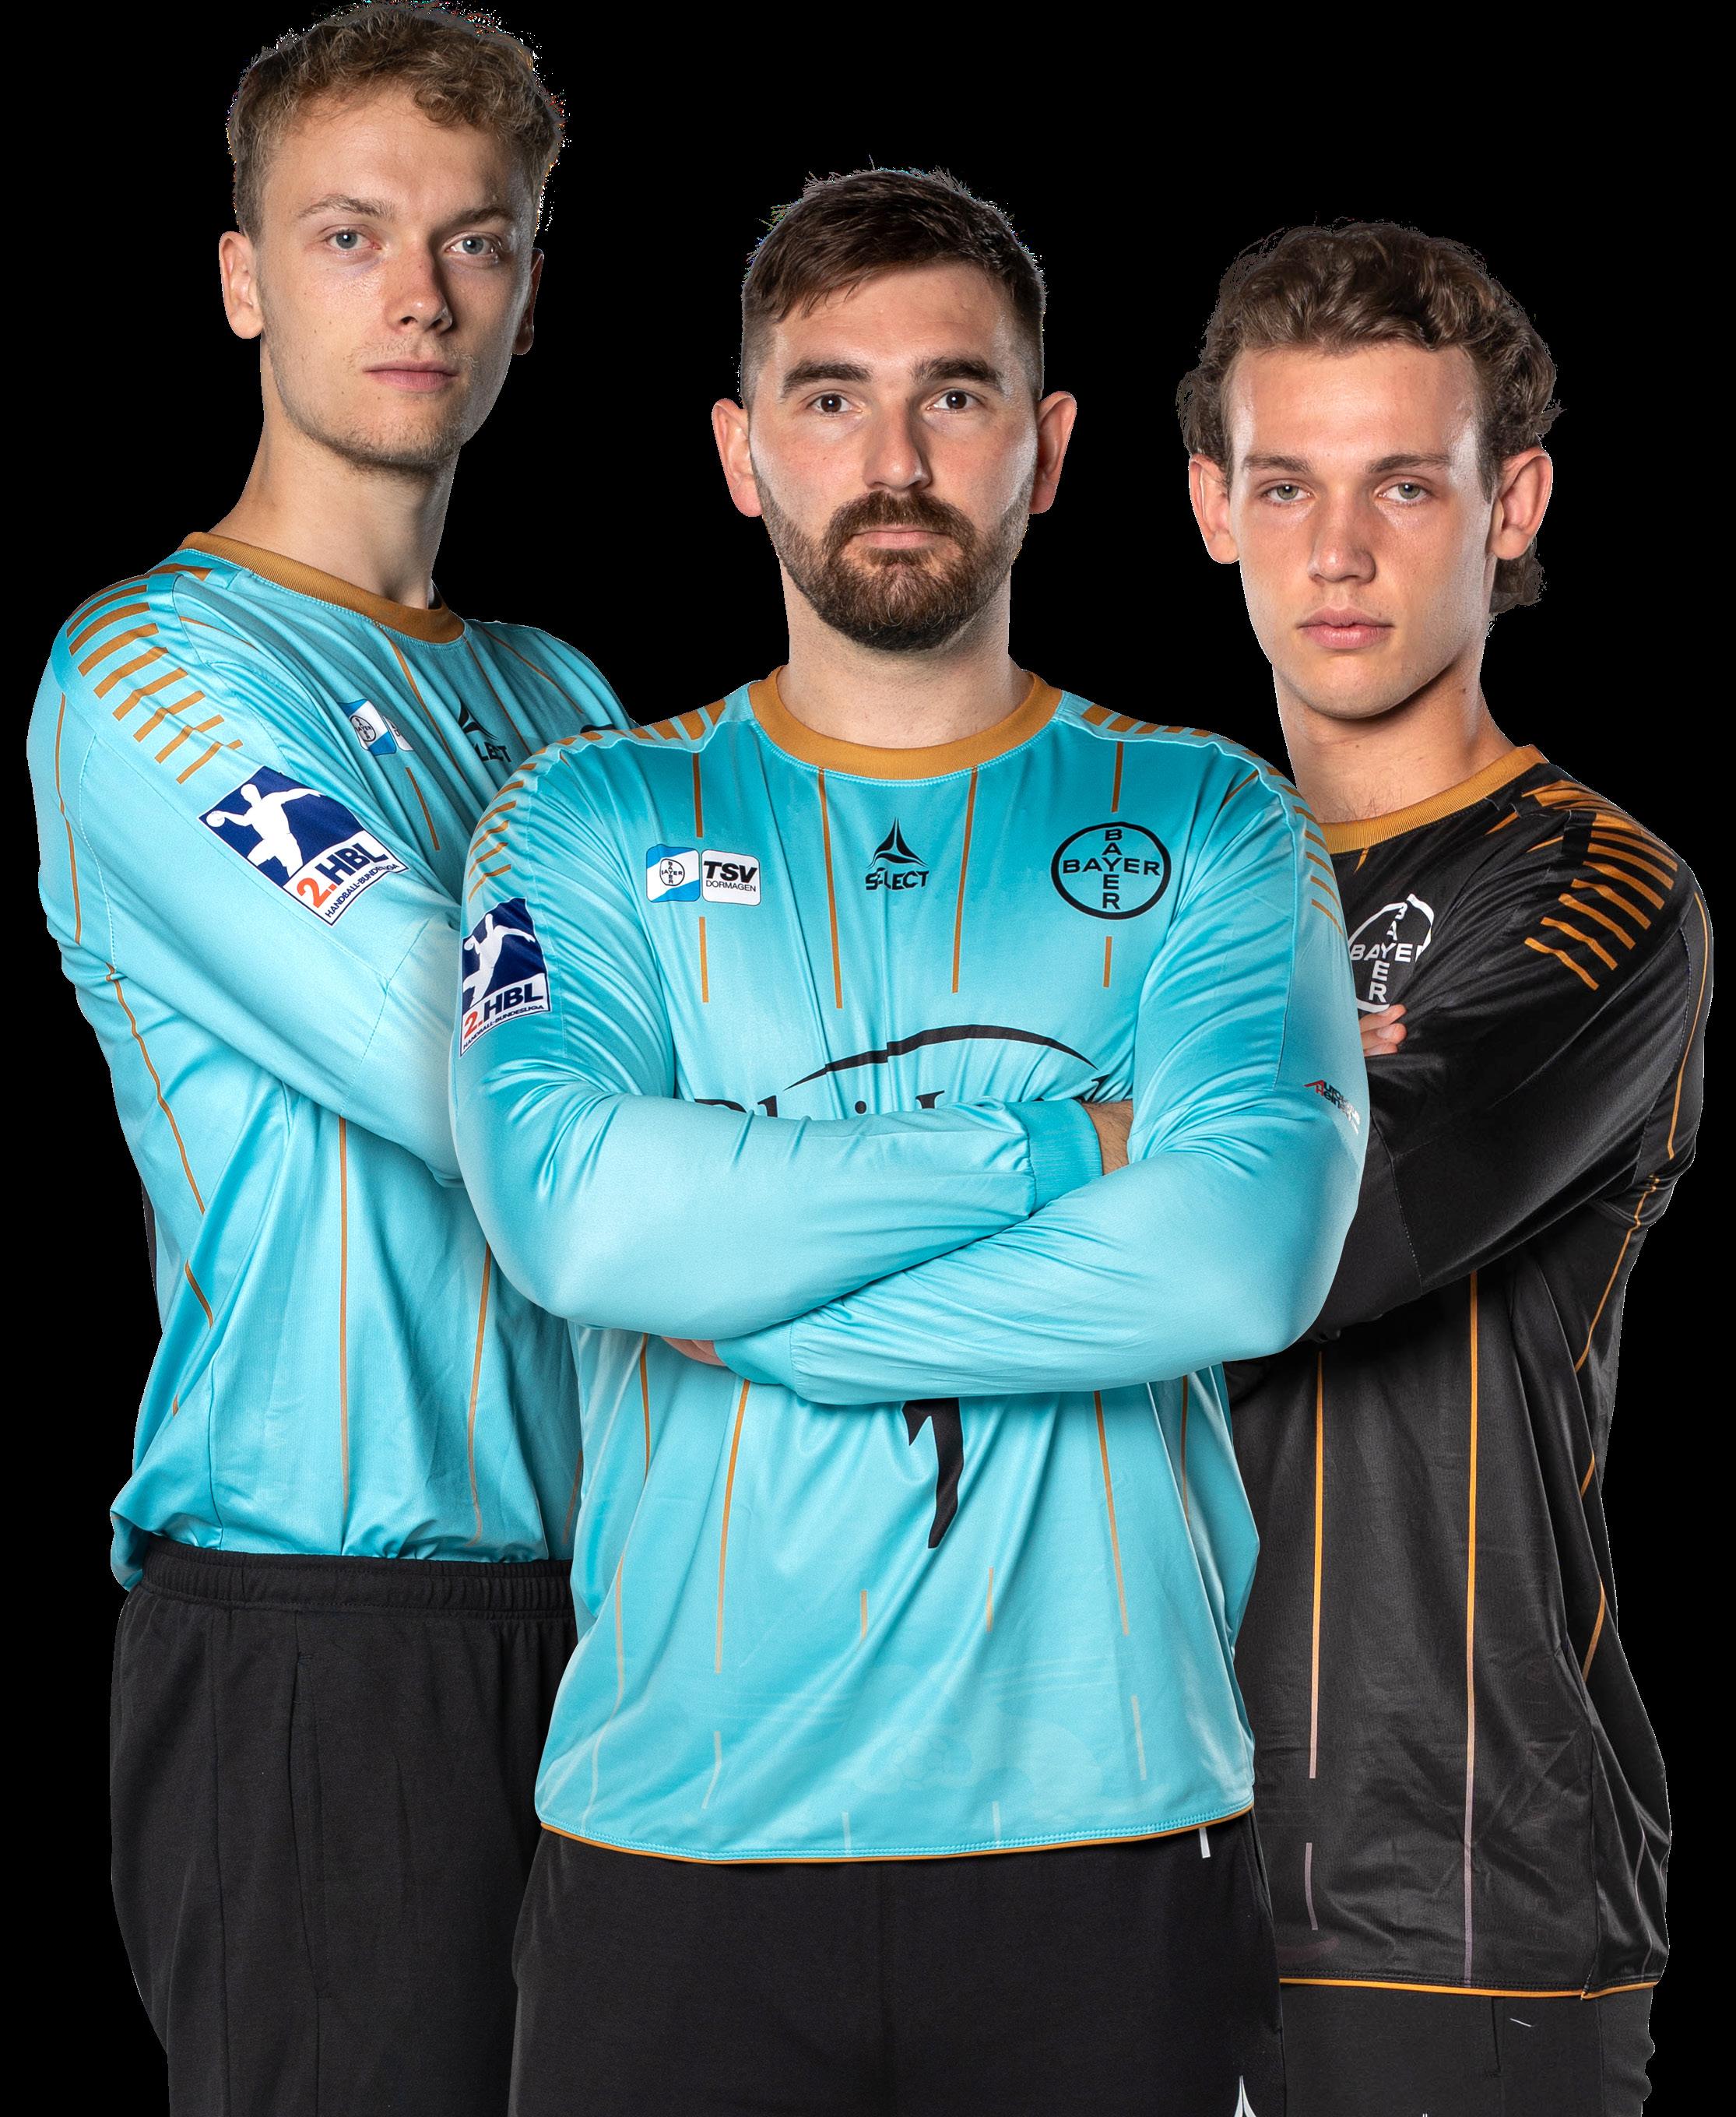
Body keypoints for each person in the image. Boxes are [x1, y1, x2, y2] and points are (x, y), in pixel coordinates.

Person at [452, 167, 1367, 2117]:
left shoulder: (1214, 819)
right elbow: (578, 1221)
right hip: (673, 1828)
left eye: (953, 395)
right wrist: (1067, 1144)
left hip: (1106, 1829)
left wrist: (757, 1303)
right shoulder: (576, 818)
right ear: (738, 454)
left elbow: (1241, 1255)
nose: (891, 460)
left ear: (1046, 447)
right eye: (828, 396)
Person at [27, 3, 627, 2115]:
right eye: (351, 234)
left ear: (528, 291)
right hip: (329, 1638)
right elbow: (465, 1071)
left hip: (627, 1617)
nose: (418, 294)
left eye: (476, 240)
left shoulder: (565, 697)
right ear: (243, 279)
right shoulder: (148, 670)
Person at [1182, 222, 1712, 2116]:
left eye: (1403, 484)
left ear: (1511, 505)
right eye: (1285, 486)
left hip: (1448, 1890)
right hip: (1105, 1850)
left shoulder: (1595, 891)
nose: (1336, 551)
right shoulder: (1147, 884)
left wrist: (1149, 1121)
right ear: (1211, 507)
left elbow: (1319, 1232)